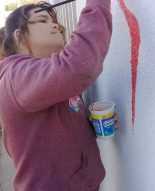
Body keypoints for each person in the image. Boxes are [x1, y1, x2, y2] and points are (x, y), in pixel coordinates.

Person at [0, 0, 112, 190]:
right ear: (19, 36)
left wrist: (91, 126)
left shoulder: (46, 76)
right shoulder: (15, 75)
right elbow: (78, 67)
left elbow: (56, 130)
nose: (54, 25)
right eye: (42, 19)